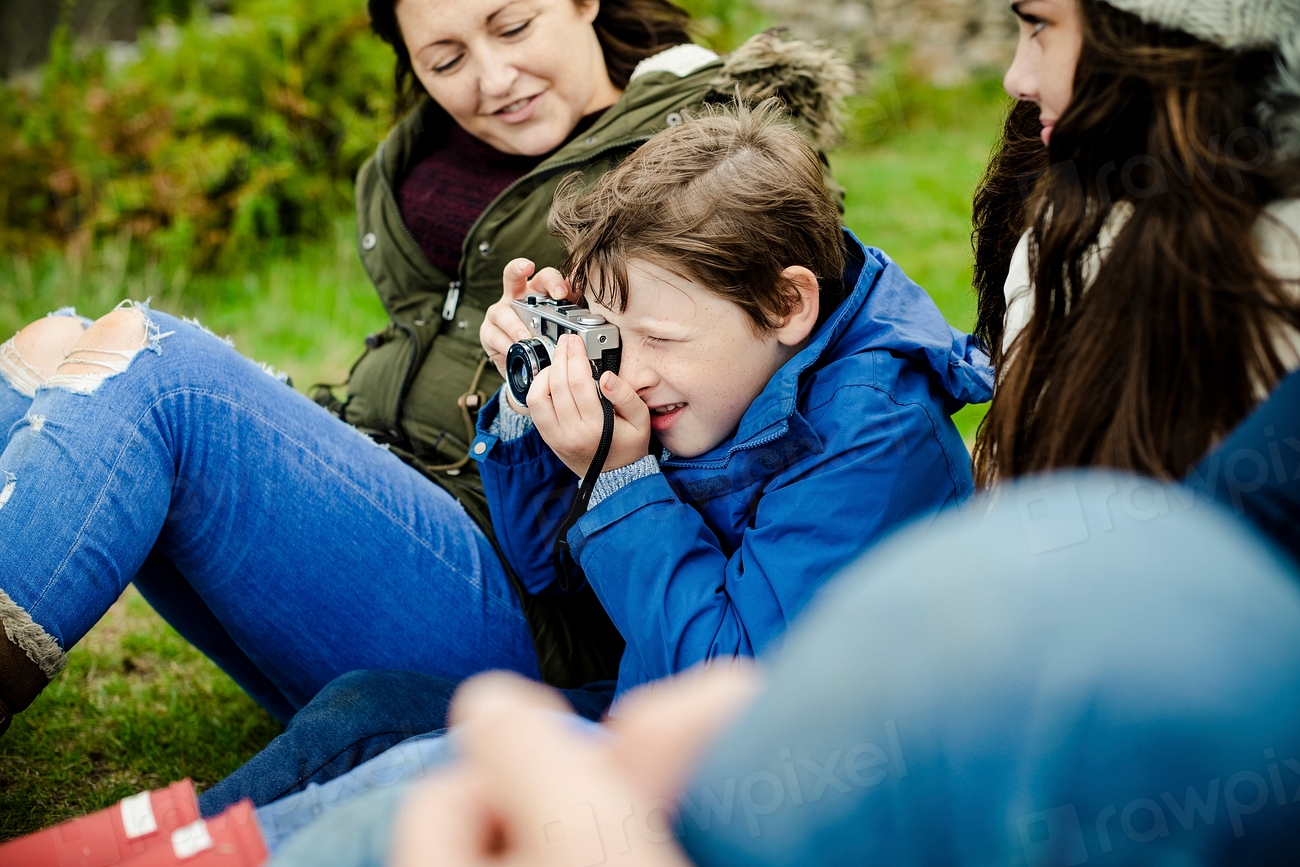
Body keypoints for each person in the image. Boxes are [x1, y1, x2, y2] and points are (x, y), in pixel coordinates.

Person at [0, 0, 860, 735]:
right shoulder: (432, 152)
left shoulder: (704, 162)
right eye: (445, 58)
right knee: (52, 343)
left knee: (162, 374)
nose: (491, 81)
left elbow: (769, 416)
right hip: (401, 493)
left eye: (513, 25)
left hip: (526, 603)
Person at [268, 365, 1300, 867]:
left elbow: (707, 662)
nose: (629, 372)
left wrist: (624, 483)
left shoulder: (860, 436)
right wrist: (534, 434)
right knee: (375, 721)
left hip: (649, 766)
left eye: (655, 337)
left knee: (410, 757)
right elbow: (548, 573)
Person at [970, 0, 1300, 485]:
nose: (1015, 79)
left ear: (1153, 37)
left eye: (1040, 24)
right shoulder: (1058, 229)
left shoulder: (1280, 271)